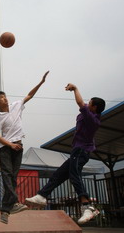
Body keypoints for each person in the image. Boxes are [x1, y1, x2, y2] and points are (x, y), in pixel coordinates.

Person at [26, 83, 106, 225]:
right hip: (78, 151)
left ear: (94, 108)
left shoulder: (91, 117)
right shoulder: (88, 116)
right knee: (60, 174)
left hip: (81, 151)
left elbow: (80, 103)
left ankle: (87, 206)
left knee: (74, 174)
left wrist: (75, 88)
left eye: (90, 103)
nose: (87, 104)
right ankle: (42, 195)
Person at [0, 71, 49, 224]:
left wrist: (41, 82)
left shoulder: (16, 105)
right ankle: (14, 203)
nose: (5, 98)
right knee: (7, 176)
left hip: (19, 146)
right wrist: (10, 144)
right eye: (2, 97)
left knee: (12, 178)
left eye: (5, 96)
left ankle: (5, 211)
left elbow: (29, 95)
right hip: (6, 149)